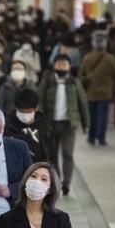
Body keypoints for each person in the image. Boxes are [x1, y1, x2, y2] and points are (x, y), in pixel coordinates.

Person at [36, 54, 88, 196]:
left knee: (67, 154)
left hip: (69, 124)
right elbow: (39, 101)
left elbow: (82, 102)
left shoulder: (74, 82)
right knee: (52, 155)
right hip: (51, 124)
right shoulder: (47, 82)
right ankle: (56, 181)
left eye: (64, 65)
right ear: (54, 66)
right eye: (59, 64)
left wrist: (85, 123)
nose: (61, 67)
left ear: (69, 66)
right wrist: (40, 121)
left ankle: (67, 184)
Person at [79, 34, 115, 146]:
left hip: (91, 92)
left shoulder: (88, 57)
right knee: (102, 115)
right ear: (105, 45)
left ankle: (91, 137)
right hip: (105, 92)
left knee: (92, 115)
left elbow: (81, 74)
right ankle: (101, 137)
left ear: (93, 45)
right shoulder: (111, 59)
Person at [5, 88, 49, 163]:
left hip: (38, 168)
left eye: (29, 112)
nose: (25, 115)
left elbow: (51, 153)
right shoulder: (9, 125)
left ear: (36, 109)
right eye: (21, 111)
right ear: (16, 108)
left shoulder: (44, 126)